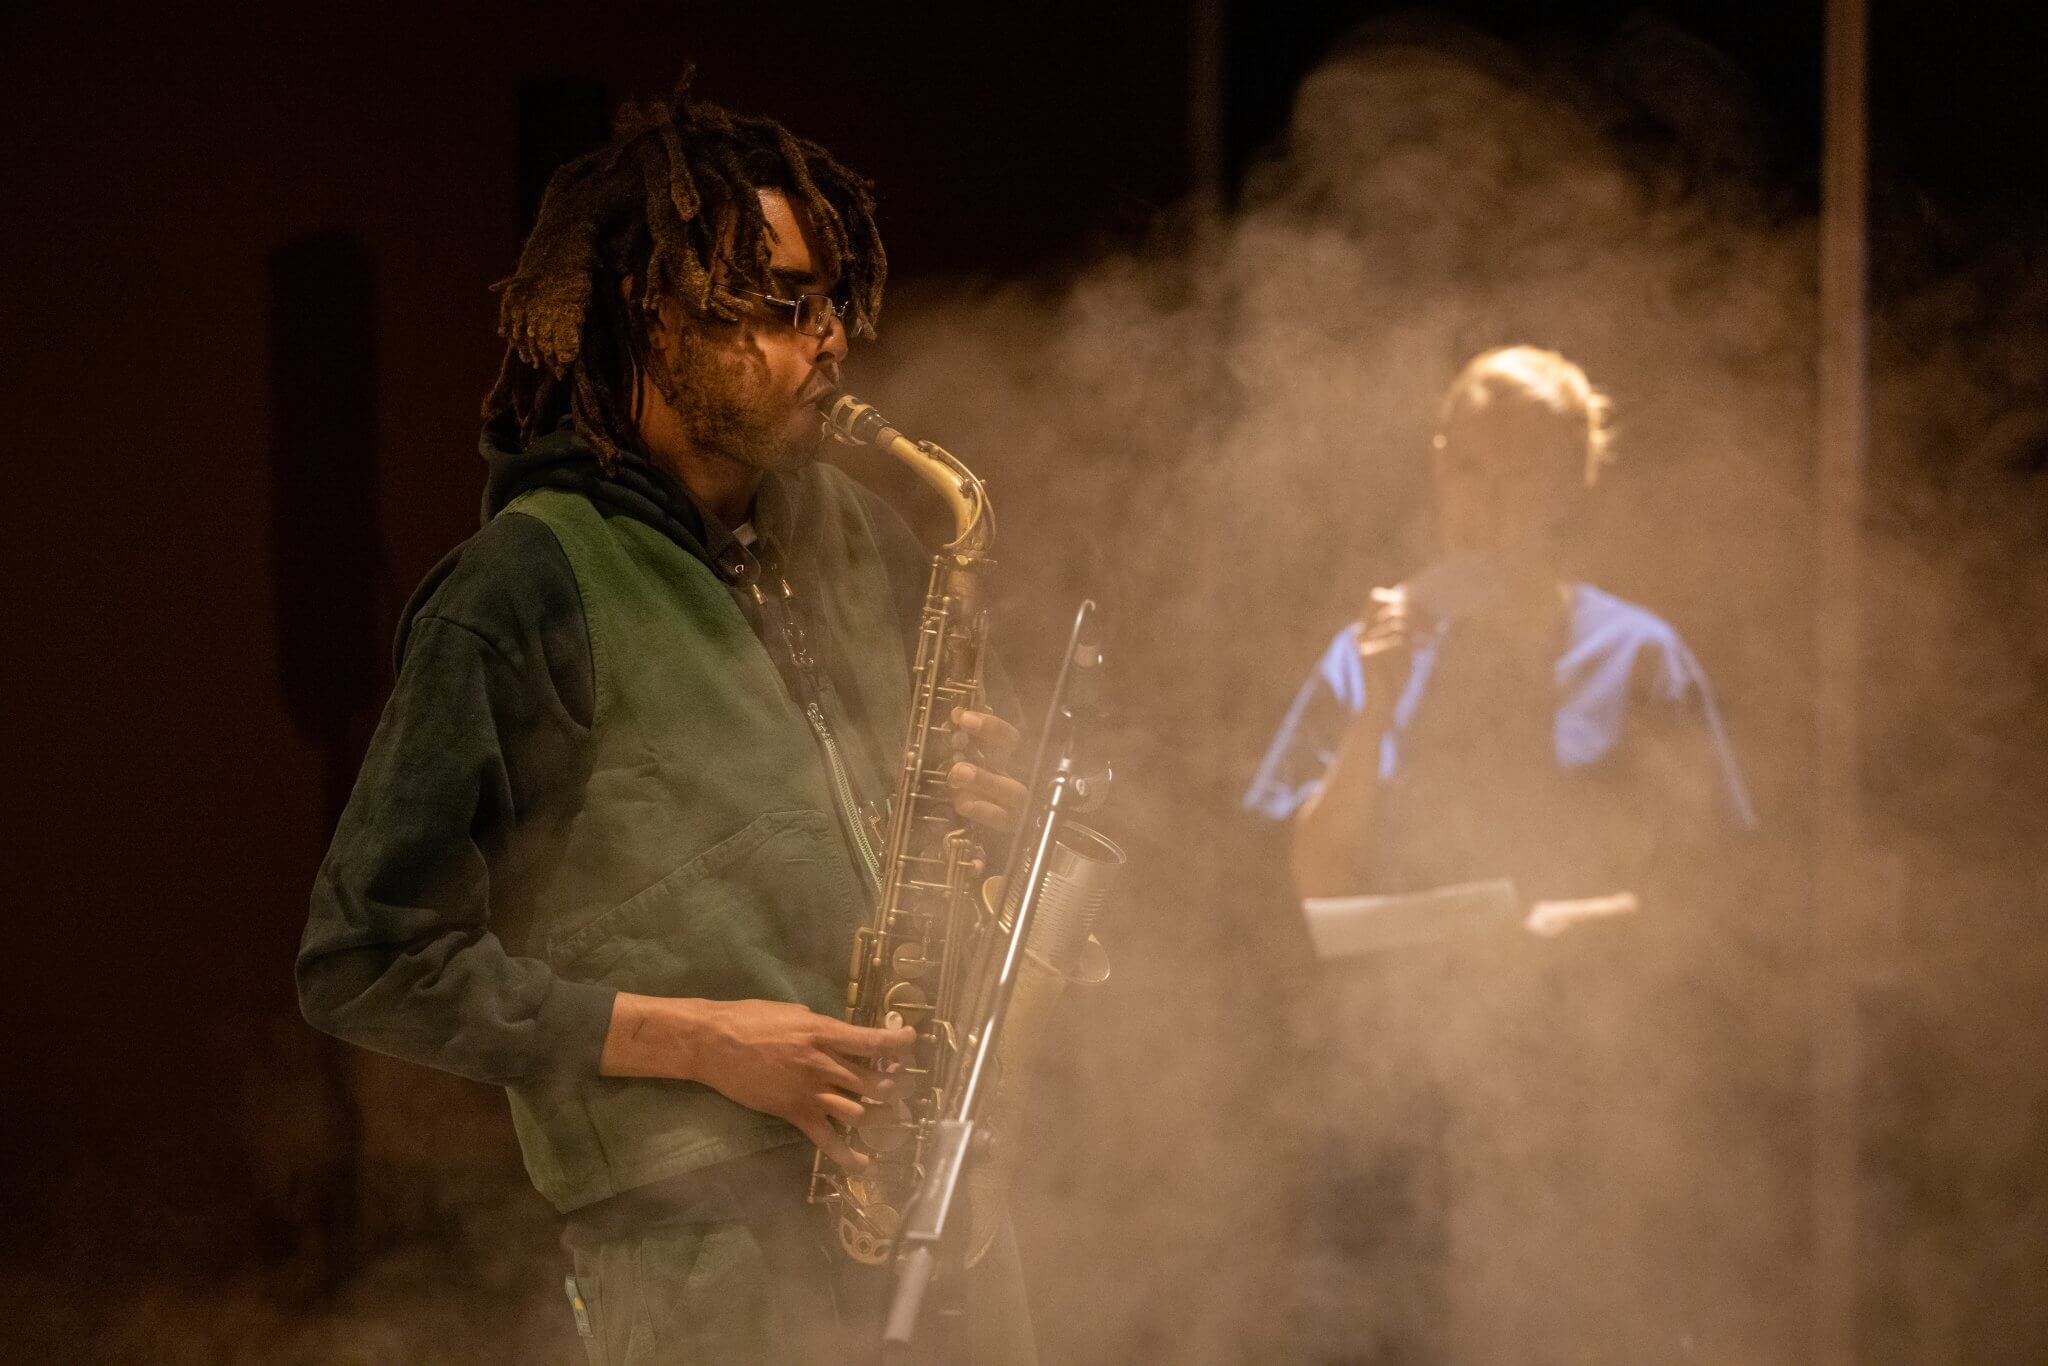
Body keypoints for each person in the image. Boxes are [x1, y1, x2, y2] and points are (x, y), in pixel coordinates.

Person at [296, 75, 1035, 1364]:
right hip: (705, 1257)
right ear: (657, 314)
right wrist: (701, 1040)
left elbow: (917, 817)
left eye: (831, 303)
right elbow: (365, 960)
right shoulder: (519, 586)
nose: (829, 341)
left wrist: (992, 820)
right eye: (781, 304)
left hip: (932, 1198)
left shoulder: (858, 533)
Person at [1247, 345, 1760, 1364]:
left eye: (1520, 476)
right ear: (1437, 466)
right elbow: (1312, 888)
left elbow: (1721, 900)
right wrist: (1374, 709)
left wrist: (1570, 934)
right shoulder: (1366, 651)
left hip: (1579, 1117)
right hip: (1379, 1118)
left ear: (1574, 485)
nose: (1487, 506)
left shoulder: (1636, 656)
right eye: (1469, 471)